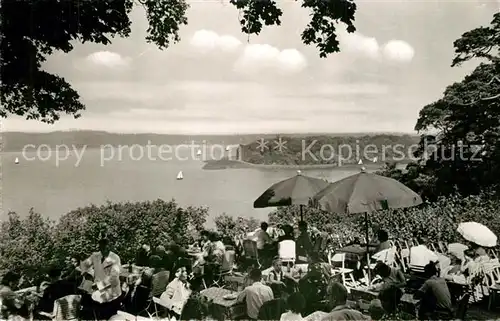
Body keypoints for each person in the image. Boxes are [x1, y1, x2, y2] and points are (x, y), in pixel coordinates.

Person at [80, 233, 122, 320]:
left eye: (106, 247)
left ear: (109, 247)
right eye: (102, 248)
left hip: (112, 293)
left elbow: (113, 278)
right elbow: (84, 265)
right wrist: (86, 274)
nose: (104, 250)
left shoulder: (115, 258)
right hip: (98, 294)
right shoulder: (95, 256)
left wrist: (98, 285)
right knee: (99, 316)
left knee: (112, 317)